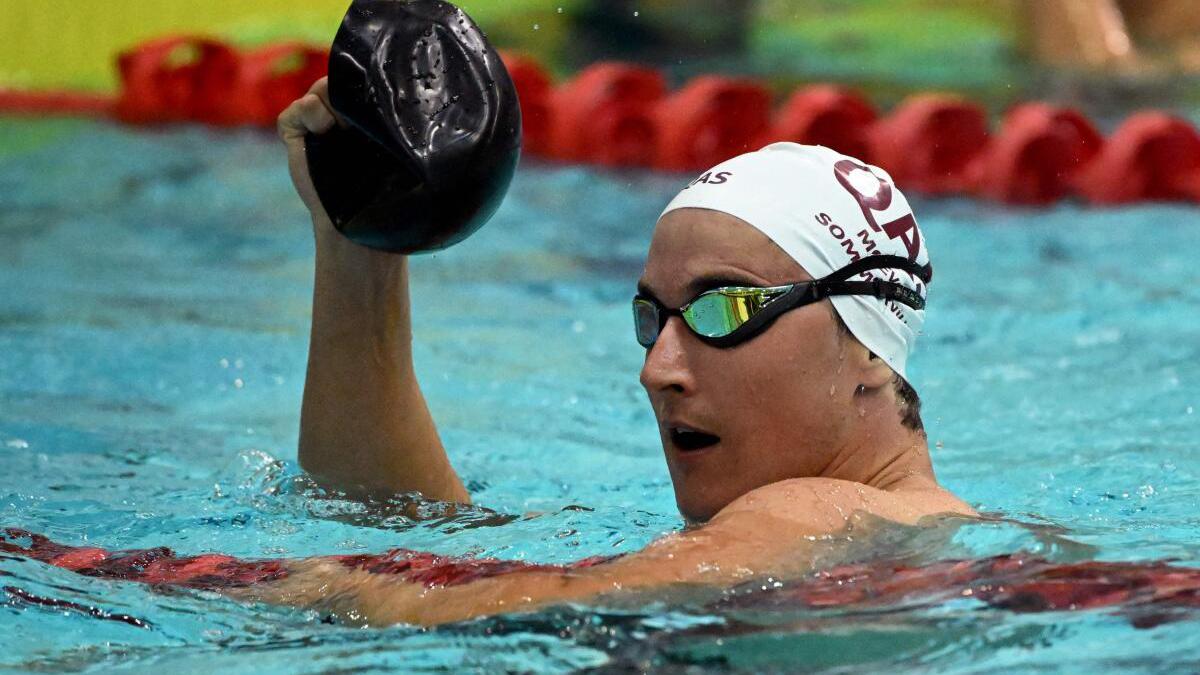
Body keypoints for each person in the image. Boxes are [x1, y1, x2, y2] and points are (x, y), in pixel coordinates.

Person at [249, 76, 979, 625]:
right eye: (652, 318)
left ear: (870, 350)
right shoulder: (881, 536)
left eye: (721, 309)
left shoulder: (825, 510)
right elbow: (400, 525)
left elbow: (553, 602)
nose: (657, 369)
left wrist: (326, 592)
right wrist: (358, 250)